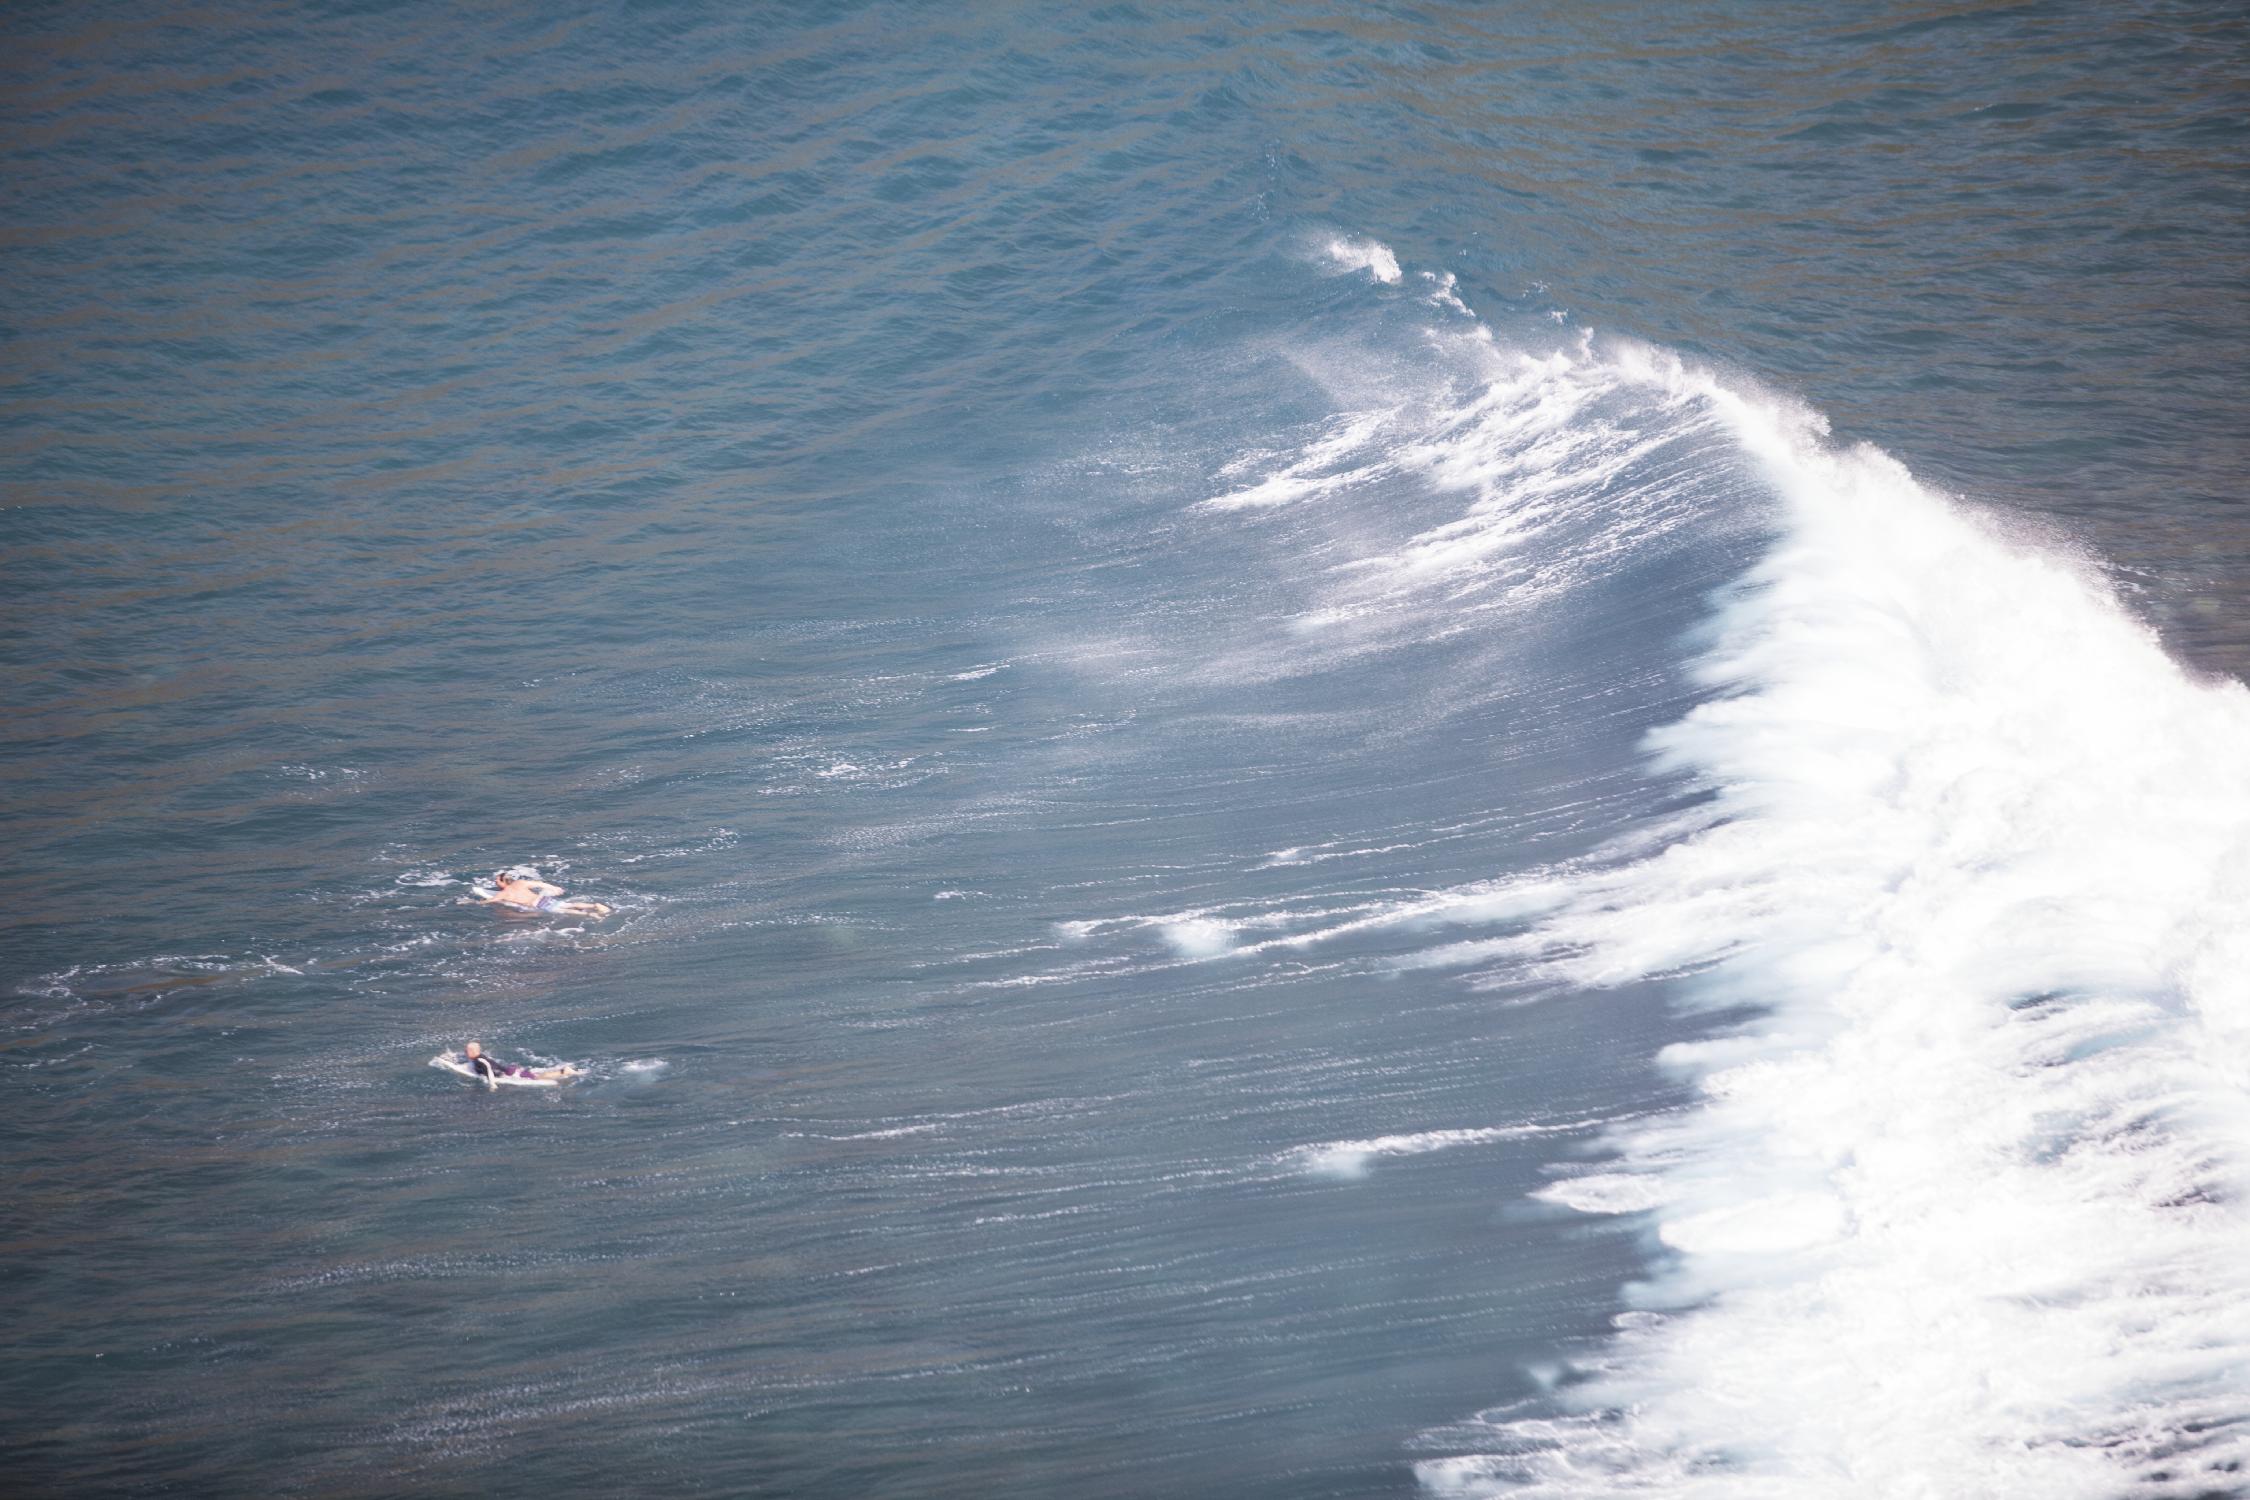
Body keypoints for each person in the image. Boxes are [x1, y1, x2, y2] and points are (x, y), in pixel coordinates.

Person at [473, 867, 611, 919]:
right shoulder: (520, 883)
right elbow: (539, 884)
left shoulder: (503, 894)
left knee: (567, 911)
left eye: (497, 881)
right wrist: (553, 888)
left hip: (539, 905)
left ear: (503, 882)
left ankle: (592, 914)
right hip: (543, 898)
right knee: (569, 904)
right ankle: (594, 906)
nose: (495, 882)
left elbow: (487, 901)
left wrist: (472, 902)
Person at [462, 1040, 580, 1085]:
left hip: (510, 1074)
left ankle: (564, 1071)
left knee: (537, 1078)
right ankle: (563, 1071)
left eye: (467, 1050)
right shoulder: (478, 1058)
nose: (465, 1052)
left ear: (473, 1051)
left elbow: (488, 1068)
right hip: (509, 1070)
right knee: (535, 1075)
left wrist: (492, 1084)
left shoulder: (480, 1060)